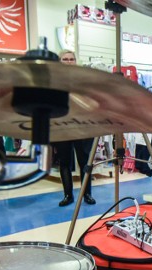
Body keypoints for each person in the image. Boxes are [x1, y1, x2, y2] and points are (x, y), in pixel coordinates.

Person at [53, 50, 96, 206]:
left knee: (85, 162)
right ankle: (68, 195)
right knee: (64, 162)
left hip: (82, 126)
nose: (69, 61)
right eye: (65, 59)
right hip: (63, 126)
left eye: (71, 59)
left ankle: (88, 194)